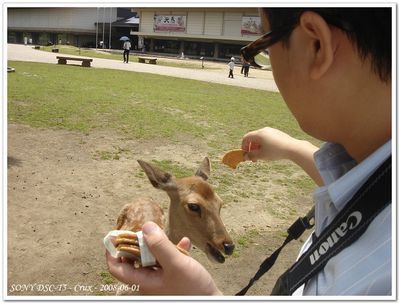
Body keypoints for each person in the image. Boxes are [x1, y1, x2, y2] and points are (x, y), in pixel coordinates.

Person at [106, 7, 392, 296]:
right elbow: (357, 187)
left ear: (316, 45)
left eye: (263, 48)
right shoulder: (373, 172)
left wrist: (204, 296)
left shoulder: (377, 278)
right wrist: (291, 148)